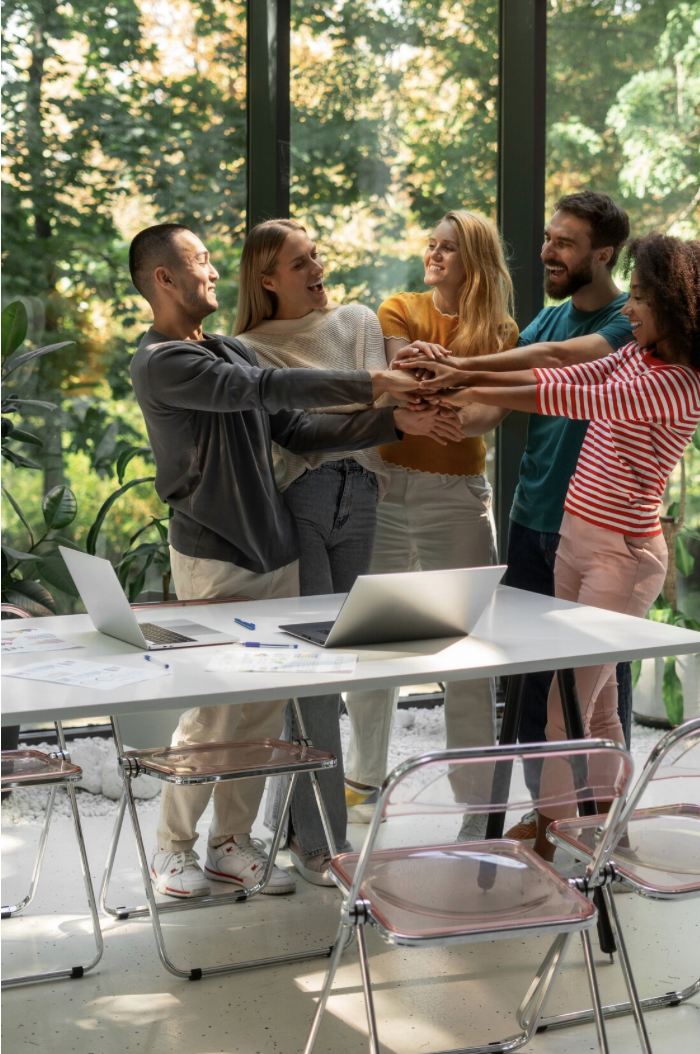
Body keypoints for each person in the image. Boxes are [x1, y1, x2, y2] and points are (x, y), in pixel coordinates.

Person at [415, 232, 700, 855]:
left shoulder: (676, 381)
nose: (629, 308)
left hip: (619, 562)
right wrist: (461, 369)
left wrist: (456, 383)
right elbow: (566, 368)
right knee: (594, 712)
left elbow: (569, 396)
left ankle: (548, 830)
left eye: (644, 299)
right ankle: (604, 826)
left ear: (681, 308)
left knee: (561, 707)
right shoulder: (639, 356)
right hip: (577, 540)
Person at [128, 222, 430, 899]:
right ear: (163, 280)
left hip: (276, 548)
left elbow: (295, 428)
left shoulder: (227, 347)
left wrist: (393, 423)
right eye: (200, 261)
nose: (212, 272)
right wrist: (374, 383)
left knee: (264, 710)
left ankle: (230, 843)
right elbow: (263, 394)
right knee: (216, 711)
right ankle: (171, 846)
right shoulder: (161, 362)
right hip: (215, 554)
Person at [395, 190, 634, 837]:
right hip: (533, 520)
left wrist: (460, 370)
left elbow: (552, 365)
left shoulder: (626, 320)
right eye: (549, 238)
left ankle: (592, 817)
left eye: (565, 243)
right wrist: (451, 393)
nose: (548, 251)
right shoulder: (550, 318)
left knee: (593, 690)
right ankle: (552, 817)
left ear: (604, 254)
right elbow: (511, 380)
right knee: (531, 688)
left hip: (596, 529)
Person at [233, 219, 460, 884]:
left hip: (361, 493)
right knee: (313, 672)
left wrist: (407, 382)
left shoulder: (358, 319)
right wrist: (380, 405)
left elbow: (375, 392)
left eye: (316, 256)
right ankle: (323, 843)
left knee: (339, 665)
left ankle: (294, 828)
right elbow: (304, 436)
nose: (316, 269)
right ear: (267, 279)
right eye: (299, 263)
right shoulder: (247, 349)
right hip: (300, 498)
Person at [342, 211, 518, 837]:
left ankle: (478, 805)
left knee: (469, 648)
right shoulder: (400, 308)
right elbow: (398, 387)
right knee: (373, 642)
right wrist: (449, 403)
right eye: (431, 245)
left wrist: (445, 413)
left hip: (457, 493)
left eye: (448, 248)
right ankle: (361, 786)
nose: (434, 255)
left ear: (475, 259)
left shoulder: (501, 330)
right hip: (387, 492)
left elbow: (489, 412)